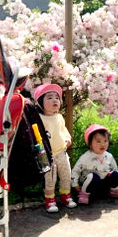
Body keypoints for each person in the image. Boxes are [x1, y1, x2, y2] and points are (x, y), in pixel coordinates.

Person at [34, 83, 77, 213]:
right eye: (49, 97)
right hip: (45, 154)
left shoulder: (59, 117)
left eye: (57, 98)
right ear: (41, 102)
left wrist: (67, 138)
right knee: (50, 178)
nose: (55, 100)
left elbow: (63, 130)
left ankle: (65, 195)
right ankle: (50, 199)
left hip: (61, 152)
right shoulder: (39, 118)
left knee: (66, 175)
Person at [71, 124, 118, 205]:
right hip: (90, 185)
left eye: (105, 141)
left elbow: (115, 169)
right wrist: (75, 184)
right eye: (98, 141)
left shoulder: (108, 156)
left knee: (115, 174)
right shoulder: (85, 157)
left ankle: (114, 190)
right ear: (90, 144)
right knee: (93, 176)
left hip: (104, 184)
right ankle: (84, 195)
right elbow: (76, 170)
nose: (103, 144)